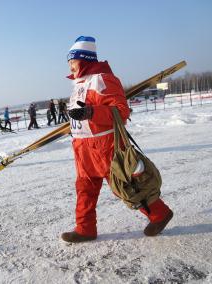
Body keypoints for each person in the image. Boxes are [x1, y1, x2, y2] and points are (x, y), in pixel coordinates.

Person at [61, 36, 173, 243]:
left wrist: (90, 113)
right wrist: (76, 126)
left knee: (125, 184)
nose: (70, 66)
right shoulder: (79, 83)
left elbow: (121, 112)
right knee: (84, 188)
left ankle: (160, 214)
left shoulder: (103, 79)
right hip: (83, 148)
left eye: (72, 62)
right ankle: (85, 229)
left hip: (105, 146)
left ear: (84, 60)